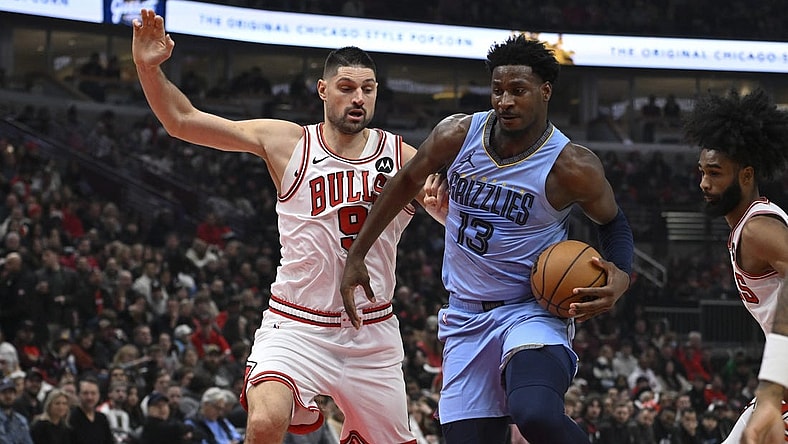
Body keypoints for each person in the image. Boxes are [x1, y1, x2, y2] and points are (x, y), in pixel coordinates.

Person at [132, 8, 438, 443]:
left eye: (368, 89)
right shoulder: (288, 142)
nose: (358, 98)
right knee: (263, 421)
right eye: (347, 87)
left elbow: (452, 214)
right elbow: (182, 121)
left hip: (370, 332)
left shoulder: (403, 157)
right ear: (322, 90)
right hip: (296, 323)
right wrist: (147, 67)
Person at [340, 35, 633, 444]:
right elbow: (405, 180)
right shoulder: (456, 135)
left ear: (545, 91)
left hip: (532, 311)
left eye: (518, 91)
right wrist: (357, 253)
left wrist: (622, 273)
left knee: (536, 414)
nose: (505, 101)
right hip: (465, 317)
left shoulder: (571, 166)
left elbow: (613, 223)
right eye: (498, 90)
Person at [683, 88, 788, 444]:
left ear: (746, 175)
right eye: (702, 172)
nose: (704, 183)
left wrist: (773, 391)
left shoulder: (759, 229)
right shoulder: (748, 227)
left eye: (715, 173)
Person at [0, 377, 33, 444]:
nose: (8, 396)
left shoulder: (21, 421)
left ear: (15, 395)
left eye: (11, 392)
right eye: (4, 393)